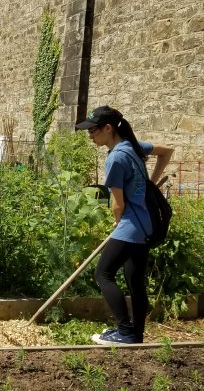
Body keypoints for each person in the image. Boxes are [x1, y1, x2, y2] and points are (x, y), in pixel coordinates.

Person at [75, 106, 173, 345]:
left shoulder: (116, 158)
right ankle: (136, 334)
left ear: (108, 129)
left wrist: (118, 224)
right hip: (146, 225)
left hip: (130, 226)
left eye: (93, 131)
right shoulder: (133, 147)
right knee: (134, 280)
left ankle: (125, 331)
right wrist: (150, 183)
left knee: (103, 274)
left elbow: (118, 205)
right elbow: (167, 151)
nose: (90, 136)